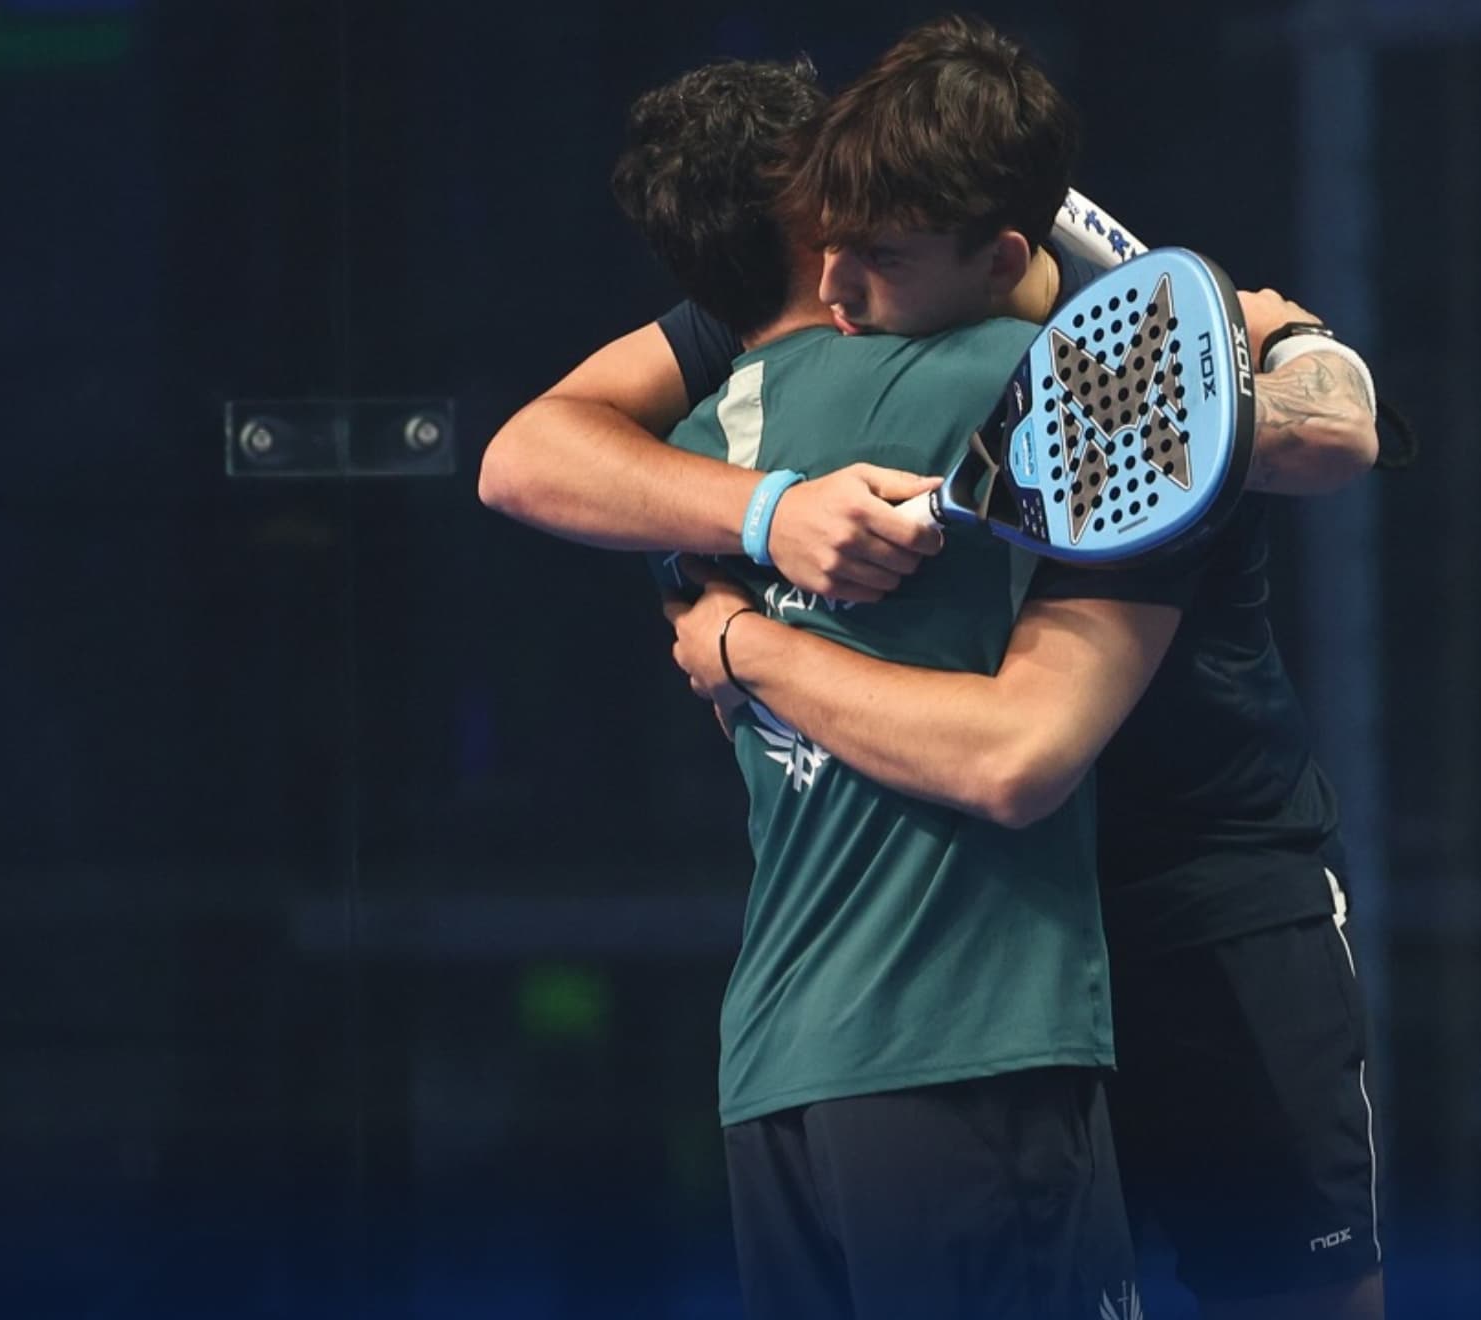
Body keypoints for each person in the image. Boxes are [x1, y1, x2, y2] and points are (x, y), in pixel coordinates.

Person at [481, 16, 1386, 1320]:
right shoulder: (803, 322)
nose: (835, 296)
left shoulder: (1107, 345)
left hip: (1200, 882)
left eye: (872, 257)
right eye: (823, 253)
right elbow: (525, 455)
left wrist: (1285, 361)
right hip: (990, 951)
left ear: (993, 254)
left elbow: (1331, 437)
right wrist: (770, 515)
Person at [590, 56, 1143, 1320]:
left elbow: (526, 459)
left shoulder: (680, 455)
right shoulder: (1014, 372)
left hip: (778, 1076)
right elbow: (1232, 410)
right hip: (970, 1044)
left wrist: (744, 637)